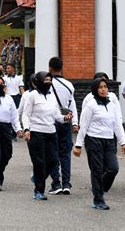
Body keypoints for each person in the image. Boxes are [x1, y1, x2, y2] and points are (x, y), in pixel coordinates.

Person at [73, 78, 125, 210]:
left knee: (113, 169)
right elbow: (84, 125)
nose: (103, 89)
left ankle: (99, 188)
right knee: (97, 170)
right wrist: (78, 145)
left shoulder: (111, 104)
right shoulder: (91, 105)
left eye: (105, 87)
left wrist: (123, 142)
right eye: (100, 87)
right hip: (94, 139)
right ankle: (98, 199)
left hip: (109, 140)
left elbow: (117, 124)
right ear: (95, 89)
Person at [22, 72, 73, 200]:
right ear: (39, 81)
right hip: (36, 132)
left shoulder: (52, 97)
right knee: (39, 162)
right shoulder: (32, 95)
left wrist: (65, 118)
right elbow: (25, 114)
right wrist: (26, 129)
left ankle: (38, 177)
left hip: (51, 132)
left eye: (50, 80)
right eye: (46, 79)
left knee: (53, 161)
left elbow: (57, 116)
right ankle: (38, 191)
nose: (48, 82)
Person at [48, 57, 79, 195]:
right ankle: (66, 183)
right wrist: (75, 123)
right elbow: (72, 106)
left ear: (50, 68)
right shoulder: (69, 85)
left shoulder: (47, 84)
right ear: (62, 68)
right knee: (65, 153)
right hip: (66, 119)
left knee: (52, 152)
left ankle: (56, 183)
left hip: (52, 120)